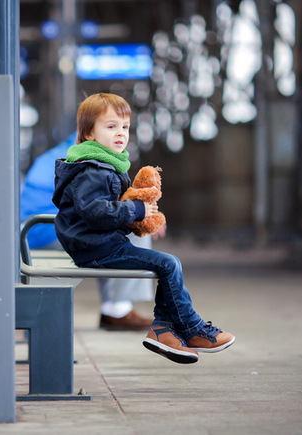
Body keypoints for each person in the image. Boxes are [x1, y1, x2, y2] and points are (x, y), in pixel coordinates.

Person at [51, 93, 235, 364]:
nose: (120, 133)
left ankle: (164, 329)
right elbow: (94, 212)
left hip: (101, 243)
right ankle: (188, 328)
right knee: (169, 264)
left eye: (125, 127)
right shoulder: (92, 170)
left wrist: (144, 215)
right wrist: (136, 211)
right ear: (89, 133)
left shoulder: (107, 166)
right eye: (110, 126)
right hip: (97, 247)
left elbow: (116, 204)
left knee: (166, 264)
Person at [21, 132, 154, 331]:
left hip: (32, 233)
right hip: (52, 231)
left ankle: (115, 308)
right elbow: (97, 210)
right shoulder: (88, 161)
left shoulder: (55, 156)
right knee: (128, 235)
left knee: (112, 232)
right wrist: (138, 214)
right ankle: (118, 310)